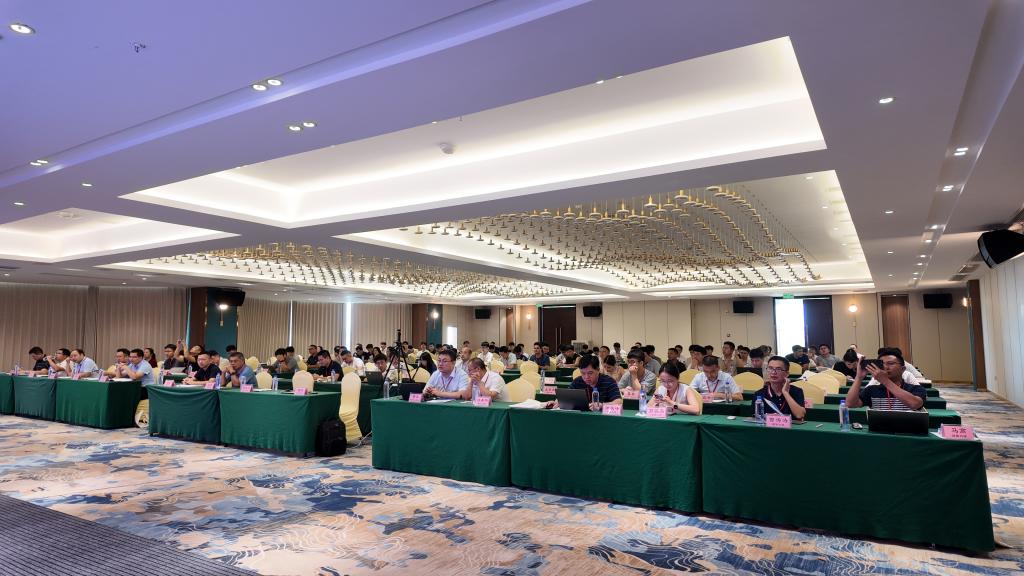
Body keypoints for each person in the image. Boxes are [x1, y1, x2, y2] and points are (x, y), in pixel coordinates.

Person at [846, 348, 926, 410]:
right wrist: (859, 377)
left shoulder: (915, 389)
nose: (885, 367)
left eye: (890, 363)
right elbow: (850, 404)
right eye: (882, 364)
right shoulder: (871, 390)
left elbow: (914, 404)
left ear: (902, 369)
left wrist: (885, 380)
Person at [552, 354, 620, 411]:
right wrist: (556, 402)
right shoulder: (578, 381)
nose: (586, 377)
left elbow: (618, 402)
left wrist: (602, 405)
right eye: (583, 373)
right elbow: (565, 396)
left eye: (590, 373)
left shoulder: (609, 381)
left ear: (598, 370)